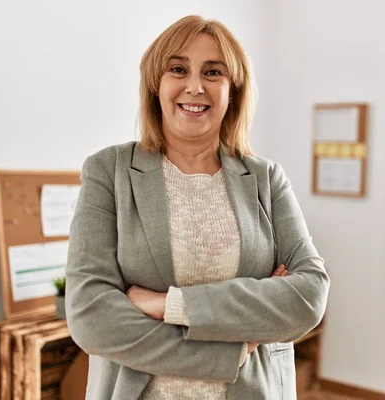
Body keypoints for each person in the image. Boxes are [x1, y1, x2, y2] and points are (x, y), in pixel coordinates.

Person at [65, 15, 330, 400]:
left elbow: (309, 297)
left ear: (232, 91)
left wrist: (168, 304)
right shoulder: (108, 171)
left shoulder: (267, 178)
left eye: (213, 72)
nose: (194, 86)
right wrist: (231, 348)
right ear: (156, 84)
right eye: (178, 69)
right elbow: (91, 318)